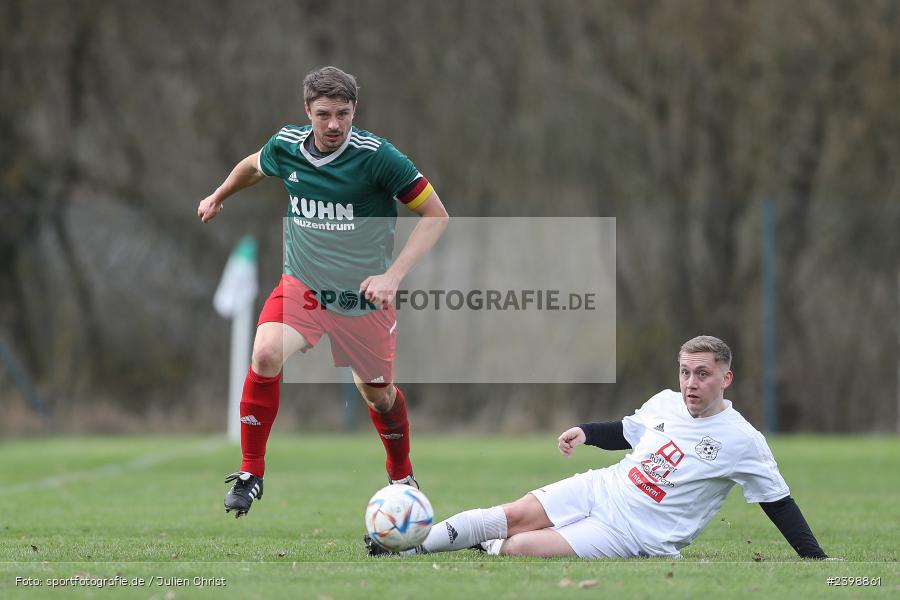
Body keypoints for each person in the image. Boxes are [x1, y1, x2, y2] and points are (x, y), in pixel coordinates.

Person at [198, 66, 449, 518]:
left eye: (343, 114)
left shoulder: (379, 158)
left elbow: (436, 215)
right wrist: (219, 195)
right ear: (307, 111)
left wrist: (392, 276)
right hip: (304, 285)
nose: (334, 125)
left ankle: (401, 475)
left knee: (378, 395)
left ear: (355, 110)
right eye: (324, 114)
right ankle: (251, 471)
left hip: (363, 297)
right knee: (265, 353)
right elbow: (253, 166)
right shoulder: (287, 146)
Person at [367, 336, 828, 559]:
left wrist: (815, 559)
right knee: (511, 514)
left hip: (634, 533)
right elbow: (628, 432)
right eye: (685, 372)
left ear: (726, 379)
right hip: (602, 487)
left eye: (703, 374)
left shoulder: (743, 441)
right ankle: (405, 547)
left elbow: (778, 501)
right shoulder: (666, 402)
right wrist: (586, 432)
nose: (691, 382)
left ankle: (483, 545)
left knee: (520, 548)